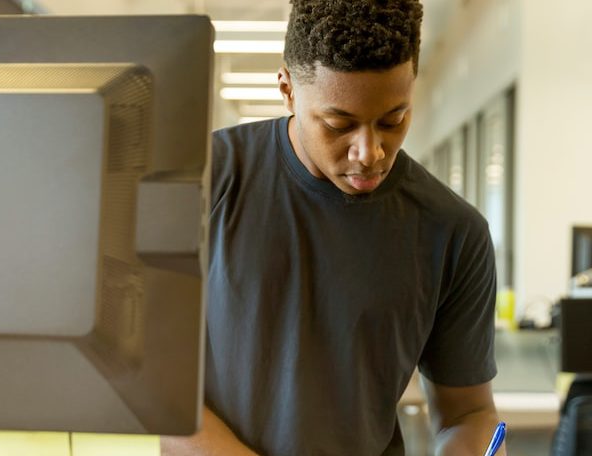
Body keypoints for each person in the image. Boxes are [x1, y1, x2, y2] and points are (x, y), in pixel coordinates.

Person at [162, 0, 504, 454]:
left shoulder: (454, 232)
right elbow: (154, 386)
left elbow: (468, 412)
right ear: (287, 89)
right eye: (339, 124)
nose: (370, 152)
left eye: (393, 120)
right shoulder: (203, 179)